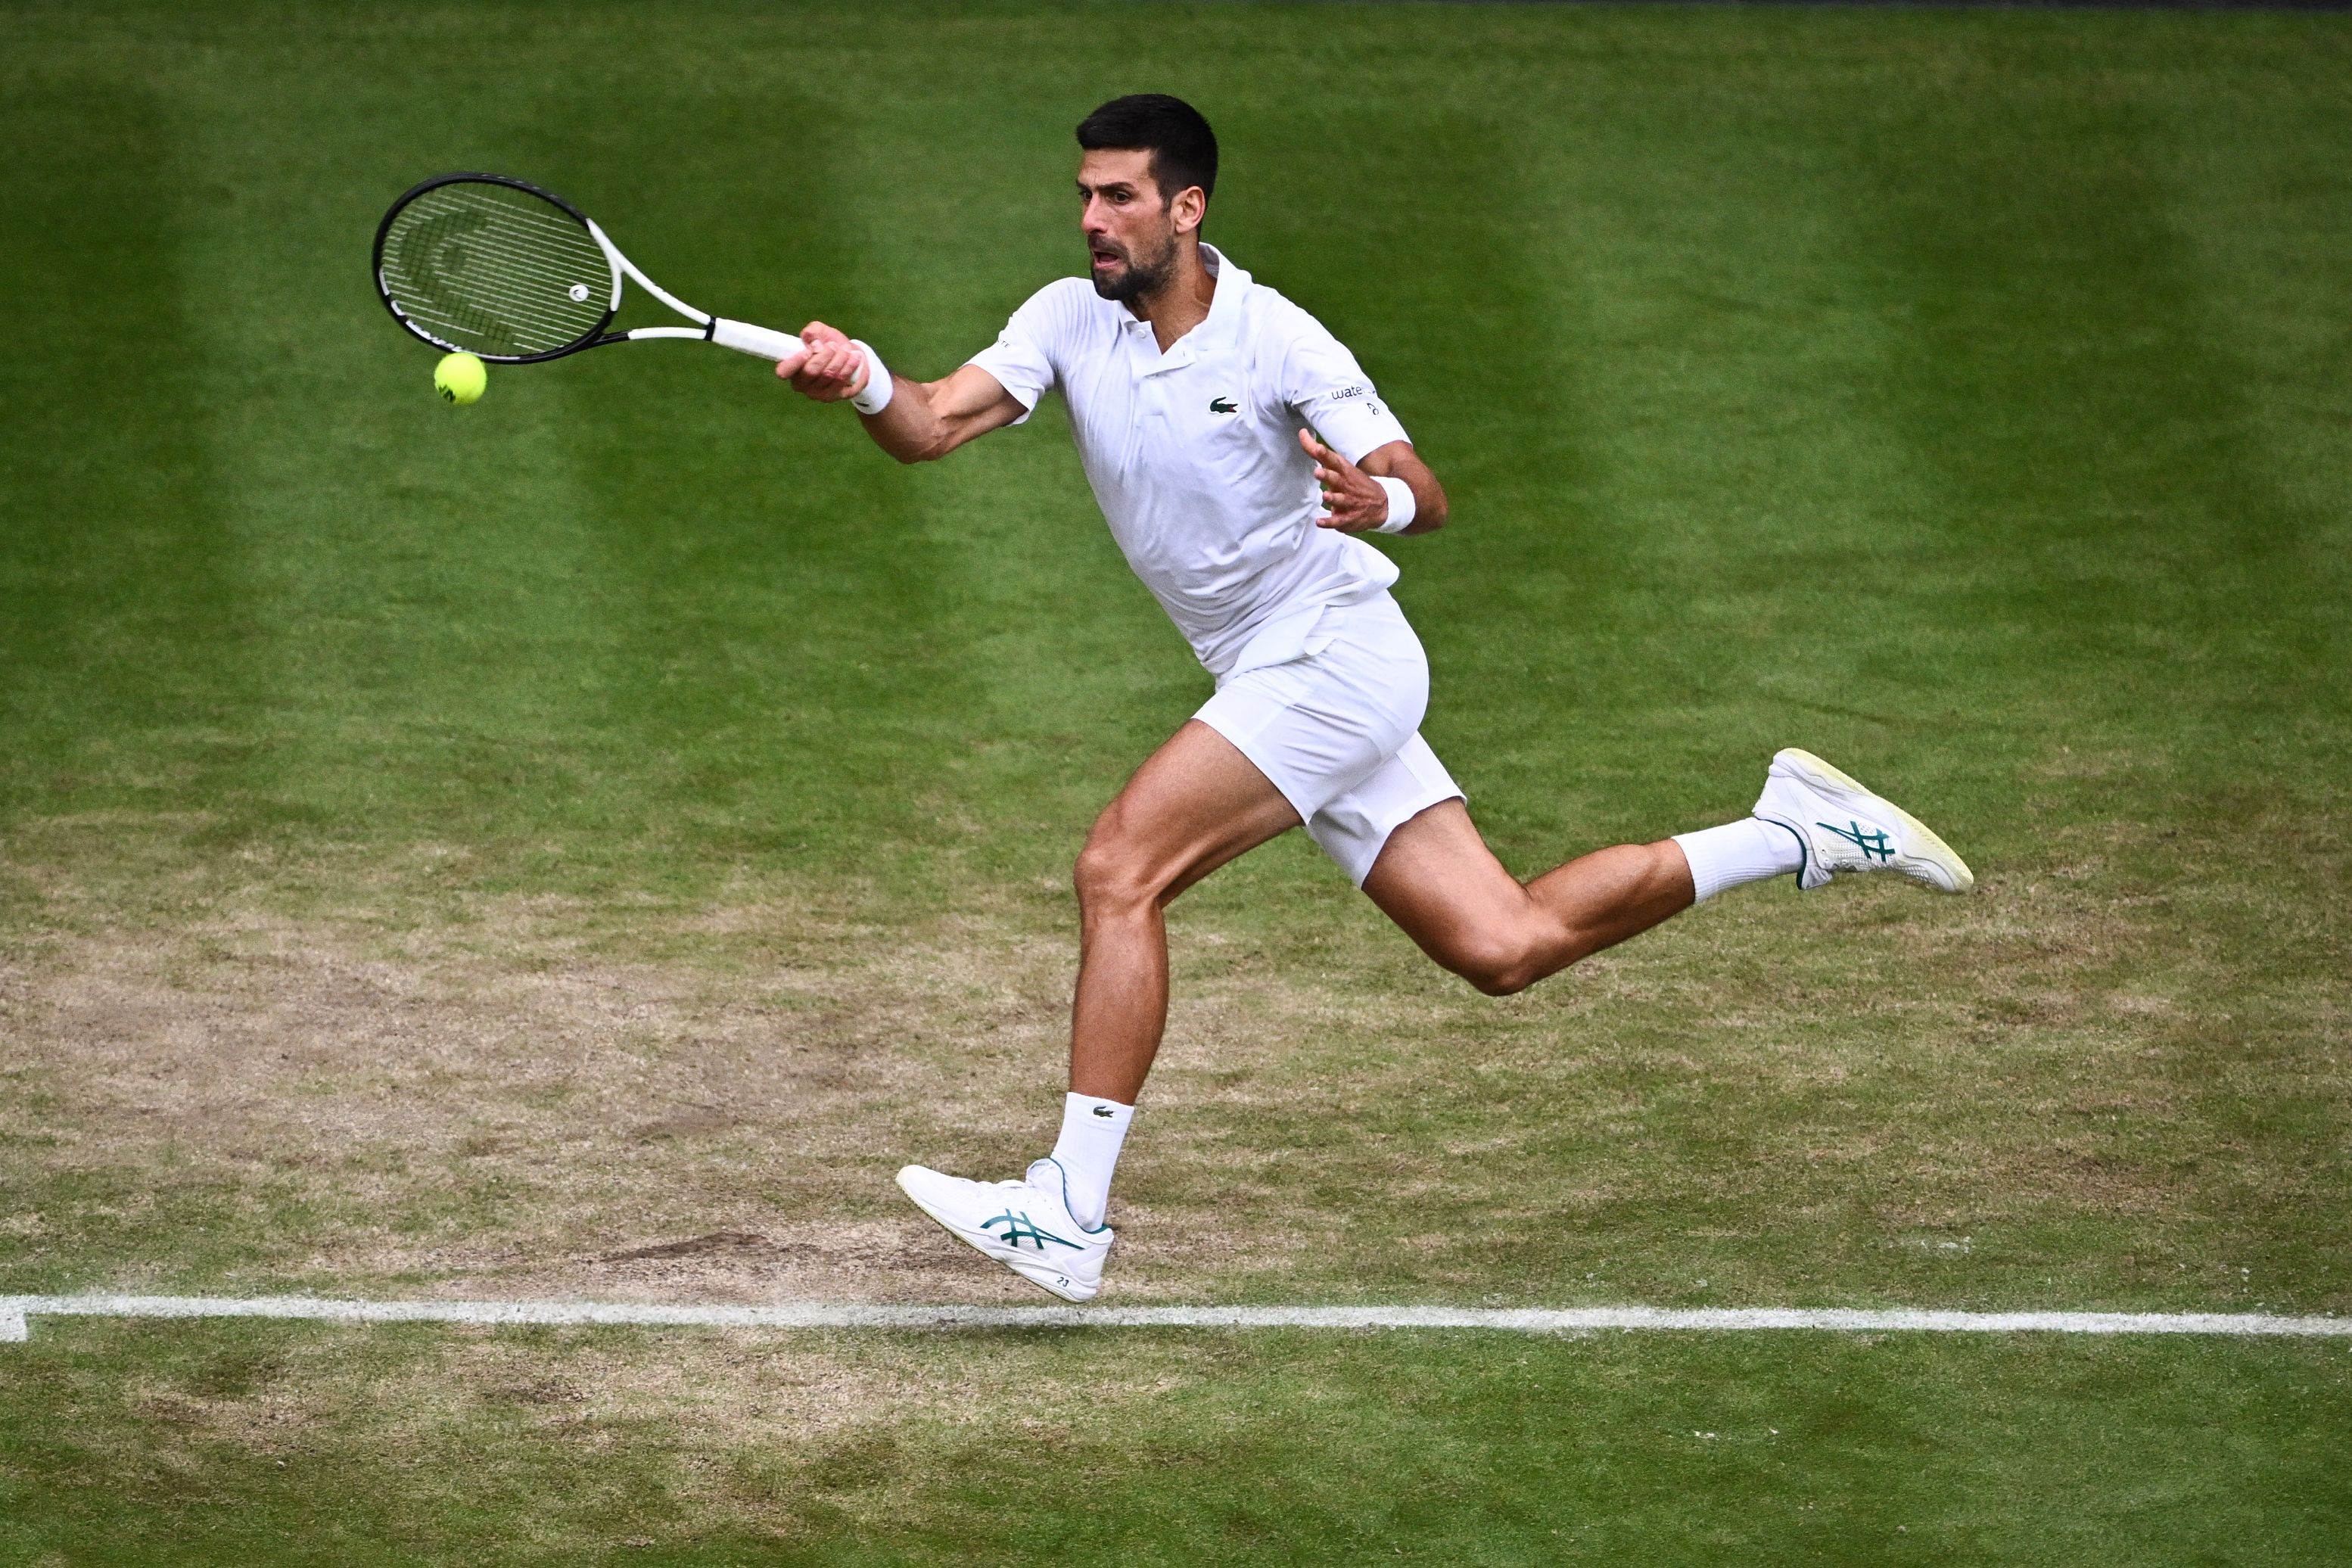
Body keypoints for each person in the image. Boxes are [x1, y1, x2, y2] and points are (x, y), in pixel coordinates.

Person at [782, 94, 1972, 1302]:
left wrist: (1379, 503)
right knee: (1504, 945)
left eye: (1120, 197)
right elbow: (932, 426)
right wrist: (865, 378)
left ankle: (1068, 1210)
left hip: (1335, 654)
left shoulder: (1279, 340)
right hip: (1269, 667)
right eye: (1086, 194)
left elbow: (1423, 486)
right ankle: (1801, 829)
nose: (1092, 218)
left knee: (1119, 871)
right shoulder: (1065, 319)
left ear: (1186, 209)